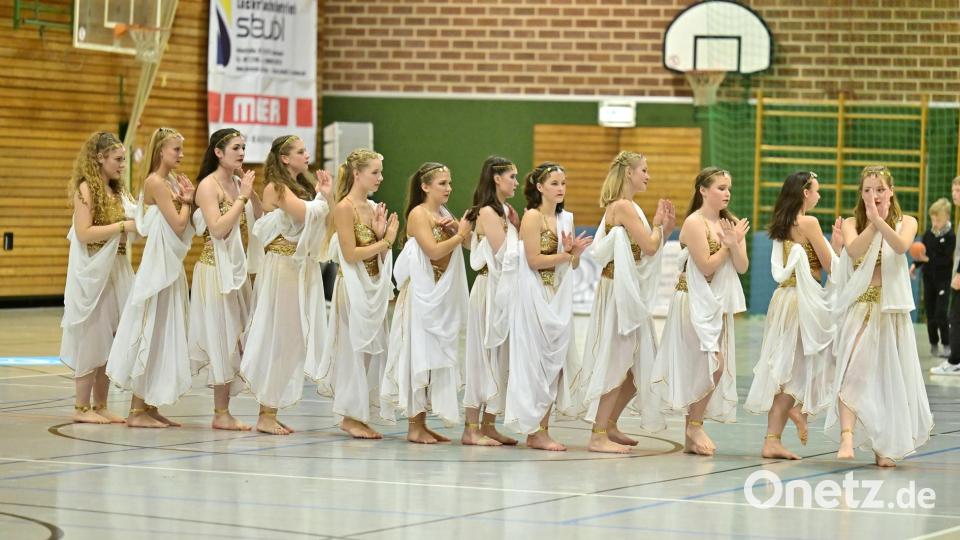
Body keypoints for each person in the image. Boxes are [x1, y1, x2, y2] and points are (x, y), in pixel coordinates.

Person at [827, 165, 933, 467]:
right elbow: (855, 252)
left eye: (880, 190)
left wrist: (882, 221)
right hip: (861, 307)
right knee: (854, 370)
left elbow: (900, 247)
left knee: (888, 380)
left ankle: (882, 445)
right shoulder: (852, 223)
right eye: (867, 190)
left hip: (891, 311)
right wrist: (872, 222)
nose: (873, 195)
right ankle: (847, 434)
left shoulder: (906, 222)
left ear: (891, 191)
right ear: (860, 194)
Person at [579, 151, 675, 454]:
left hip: (627, 290)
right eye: (644, 170)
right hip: (619, 293)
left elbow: (650, 245)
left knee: (638, 369)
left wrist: (664, 228)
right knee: (617, 362)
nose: (648, 175)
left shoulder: (630, 207)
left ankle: (610, 424)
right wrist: (660, 228)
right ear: (629, 173)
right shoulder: (623, 207)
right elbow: (648, 246)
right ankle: (597, 435)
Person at [744, 171, 843, 459]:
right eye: (816, 191)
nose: (819, 196)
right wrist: (838, 248)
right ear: (804, 193)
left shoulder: (782, 223)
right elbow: (829, 265)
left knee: (790, 364)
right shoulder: (809, 222)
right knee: (817, 356)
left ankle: (778, 431)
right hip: (803, 301)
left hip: (784, 298)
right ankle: (793, 414)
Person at [652, 167, 749, 456]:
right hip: (693, 300)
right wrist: (727, 247)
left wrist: (735, 244)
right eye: (720, 187)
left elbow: (742, 266)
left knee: (709, 366)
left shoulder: (730, 223)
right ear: (703, 191)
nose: (726, 193)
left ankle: (691, 431)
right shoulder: (693, 224)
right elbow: (706, 265)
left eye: (728, 188)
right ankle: (694, 425)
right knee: (712, 365)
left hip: (716, 302)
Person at [241, 135, 333, 434]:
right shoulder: (276, 188)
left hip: (299, 268)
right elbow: (306, 214)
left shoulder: (302, 187)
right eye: (301, 151)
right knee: (278, 338)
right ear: (284, 158)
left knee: (293, 340)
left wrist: (322, 195)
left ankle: (271, 409)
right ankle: (265, 413)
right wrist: (322, 196)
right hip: (282, 269)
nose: (307, 155)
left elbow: (323, 216)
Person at [106, 127, 195, 428]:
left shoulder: (168, 182)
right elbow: (180, 225)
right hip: (158, 266)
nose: (181, 155)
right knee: (150, 330)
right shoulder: (155, 182)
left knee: (163, 331)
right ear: (161, 152)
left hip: (169, 264)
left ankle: (150, 404)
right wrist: (189, 201)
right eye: (176, 150)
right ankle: (136, 410)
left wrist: (183, 199)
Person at [309, 149, 398, 439]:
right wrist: (385, 241)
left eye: (381, 172)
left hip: (372, 286)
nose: (381, 178)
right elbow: (349, 253)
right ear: (357, 173)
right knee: (353, 350)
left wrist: (381, 234)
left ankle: (359, 411)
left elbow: (374, 252)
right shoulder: (345, 208)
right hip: (352, 289)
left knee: (370, 352)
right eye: (375, 172)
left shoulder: (373, 207)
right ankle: (348, 415)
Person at [503, 162, 591, 451]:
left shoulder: (567, 219)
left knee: (554, 364)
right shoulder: (531, 217)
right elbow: (533, 260)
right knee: (534, 363)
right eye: (554, 183)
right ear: (539, 187)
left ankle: (543, 428)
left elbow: (573, 262)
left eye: (563, 183)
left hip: (558, 296)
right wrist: (567, 255)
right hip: (533, 295)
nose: (561, 188)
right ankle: (534, 429)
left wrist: (574, 254)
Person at [382, 162, 472, 444]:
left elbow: (467, 246)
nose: (449, 188)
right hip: (420, 297)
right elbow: (432, 251)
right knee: (417, 355)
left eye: (449, 182)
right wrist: (458, 235)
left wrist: (458, 229)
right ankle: (413, 425)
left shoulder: (444, 213)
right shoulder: (419, 214)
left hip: (440, 295)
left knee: (434, 358)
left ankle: (423, 422)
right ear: (425, 186)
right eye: (443, 183)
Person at [189, 128, 263, 431]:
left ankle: (225, 409)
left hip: (237, 270)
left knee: (240, 335)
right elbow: (218, 230)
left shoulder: (236, 182)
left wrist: (250, 193)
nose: (242, 153)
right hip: (213, 272)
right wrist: (240, 198)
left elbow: (259, 217)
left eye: (244, 147)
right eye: (236, 148)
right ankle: (221, 413)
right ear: (218, 152)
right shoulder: (208, 186)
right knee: (222, 337)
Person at [60, 131, 135, 425]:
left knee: (114, 336)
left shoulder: (118, 191)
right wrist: (121, 226)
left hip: (117, 267)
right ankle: (81, 407)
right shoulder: (86, 189)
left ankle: (100, 403)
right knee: (93, 335)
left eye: (124, 160)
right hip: (93, 271)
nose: (122, 165)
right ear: (99, 158)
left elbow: (134, 220)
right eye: (117, 159)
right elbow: (84, 232)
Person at [461, 156, 522, 447]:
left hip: (505, 289)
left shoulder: (508, 211)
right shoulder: (487, 212)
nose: (516, 183)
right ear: (497, 179)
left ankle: (490, 423)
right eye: (512, 176)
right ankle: (470, 427)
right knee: (481, 356)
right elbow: (502, 253)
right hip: (488, 289)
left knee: (501, 357)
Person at [911, 198, 954, 358]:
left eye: (939, 219)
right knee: (930, 314)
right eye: (933, 219)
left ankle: (947, 345)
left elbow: (948, 260)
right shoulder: (928, 234)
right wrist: (915, 264)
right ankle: (934, 344)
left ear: (947, 217)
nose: (935, 222)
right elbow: (922, 253)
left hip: (943, 279)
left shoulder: (951, 236)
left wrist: (927, 260)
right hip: (928, 279)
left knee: (941, 313)